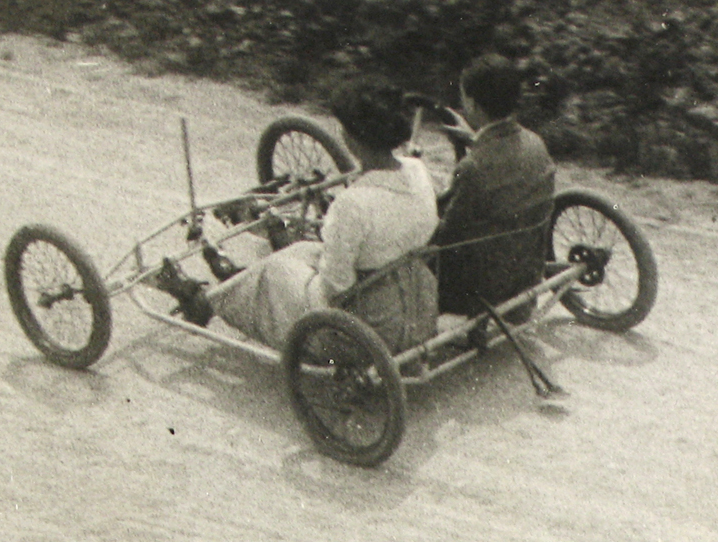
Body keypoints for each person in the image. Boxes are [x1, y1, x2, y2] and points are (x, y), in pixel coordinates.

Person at [154, 80, 438, 353]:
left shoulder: (352, 205)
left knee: (274, 272)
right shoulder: (416, 170)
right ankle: (235, 282)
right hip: (416, 308)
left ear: (352, 138)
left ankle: (205, 303)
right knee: (301, 250)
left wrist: (302, 276)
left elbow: (335, 288)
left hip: (366, 330)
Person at [431, 54, 557, 319]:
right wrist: (476, 141)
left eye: (464, 97)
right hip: (526, 273)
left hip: (481, 290)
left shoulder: (473, 166)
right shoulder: (535, 142)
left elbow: (445, 237)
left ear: (473, 105)